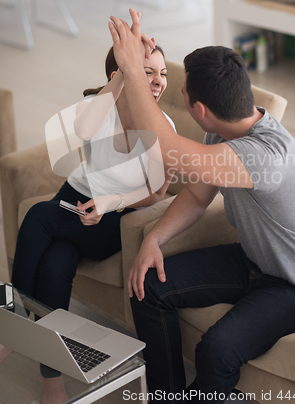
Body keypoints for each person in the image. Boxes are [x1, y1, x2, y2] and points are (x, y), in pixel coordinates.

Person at [107, 8, 295, 403]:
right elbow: (196, 195)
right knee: (146, 288)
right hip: (256, 259)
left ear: (201, 111)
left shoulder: (264, 155)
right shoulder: (225, 131)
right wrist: (154, 239)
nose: (177, 94)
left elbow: (168, 148)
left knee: (216, 350)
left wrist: (130, 66)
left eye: (183, 93)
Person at [0, 35, 176, 404]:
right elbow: (81, 131)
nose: (159, 80)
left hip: (113, 216)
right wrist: (119, 80)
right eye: (148, 71)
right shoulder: (97, 107)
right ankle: (52, 381)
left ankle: (8, 328)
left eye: (162, 73)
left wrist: (112, 202)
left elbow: (158, 193)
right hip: (71, 199)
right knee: (56, 263)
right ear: (122, 74)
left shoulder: (163, 126)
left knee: (38, 216)